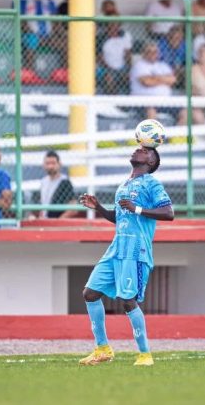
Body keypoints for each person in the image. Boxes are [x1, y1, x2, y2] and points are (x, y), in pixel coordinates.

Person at [78, 146, 174, 367]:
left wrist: (138, 208)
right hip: (116, 247)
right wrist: (99, 208)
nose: (137, 151)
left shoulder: (151, 182)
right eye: (138, 149)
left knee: (127, 300)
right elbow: (121, 215)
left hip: (135, 248)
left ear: (151, 161)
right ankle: (103, 349)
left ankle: (145, 355)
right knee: (90, 293)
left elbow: (169, 213)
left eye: (144, 151)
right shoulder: (125, 184)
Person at [130, 42, 177, 122]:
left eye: (155, 52)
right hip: (144, 102)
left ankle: (177, 135)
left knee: (186, 112)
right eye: (149, 52)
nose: (152, 54)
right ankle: (153, 135)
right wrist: (164, 79)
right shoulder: (139, 65)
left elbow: (173, 80)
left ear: (158, 54)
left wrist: (155, 78)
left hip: (165, 102)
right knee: (151, 111)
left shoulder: (163, 65)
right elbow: (147, 82)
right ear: (143, 54)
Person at [30, 151, 78, 219]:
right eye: (48, 163)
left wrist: (59, 221)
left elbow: (73, 207)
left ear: (59, 164)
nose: (50, 166)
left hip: (56, 220)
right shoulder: (43, 182)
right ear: (44, 165)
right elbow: (39, 203)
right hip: (45, 220)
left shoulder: (64, 182)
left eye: (53, 163)